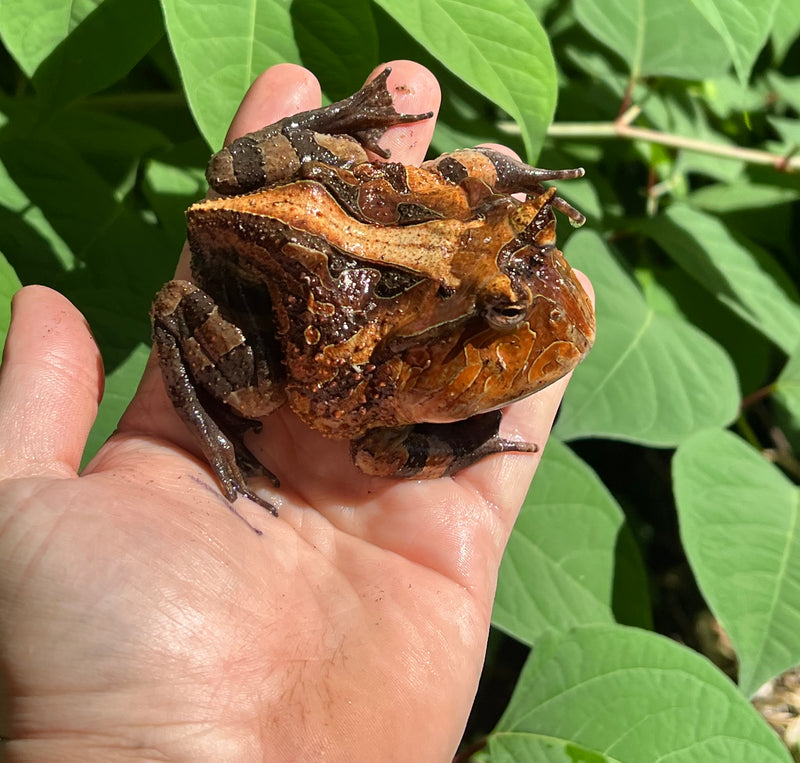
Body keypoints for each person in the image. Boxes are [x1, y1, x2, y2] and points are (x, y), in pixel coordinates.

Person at [0, 61, 592, 762]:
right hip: (271, 257)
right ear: (451, 304)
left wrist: (507, 197)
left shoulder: (451, 217)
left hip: (318, 205)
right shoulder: (411, 322)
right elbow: (364, 444)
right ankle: (216, 429)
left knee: (317, 170)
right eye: (497, 304)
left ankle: (334, 126)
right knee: (257, 391)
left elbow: (468, 173)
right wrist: (460, 445)